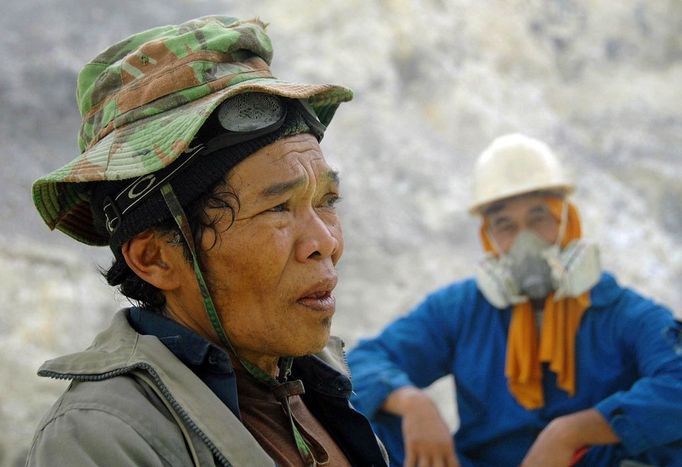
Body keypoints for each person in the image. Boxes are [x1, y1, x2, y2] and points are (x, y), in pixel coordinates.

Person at [27, 16, 388, 467]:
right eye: (278, 208)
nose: (325, 241)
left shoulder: (313, 380)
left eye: (326, 200)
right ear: (155, 257)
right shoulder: (102, 437)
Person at [347, 133, 682, 467]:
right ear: (488, 237)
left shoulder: (624, 312)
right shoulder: (460, 308)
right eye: (506, 225)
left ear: (567, 221)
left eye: (539, 218)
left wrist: (572, 432)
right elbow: (362, 361)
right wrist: (412, 403)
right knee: (373, 421)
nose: (525, 241)